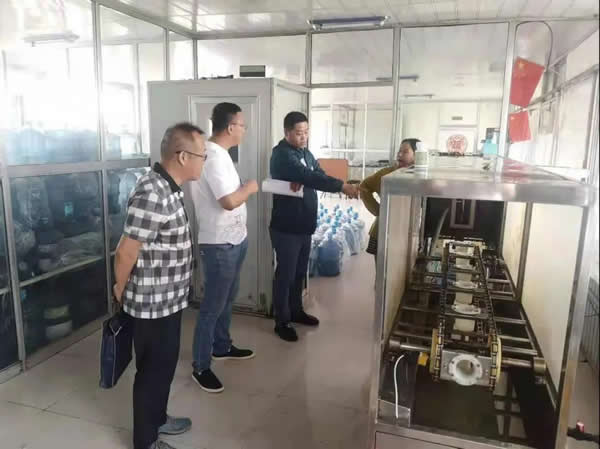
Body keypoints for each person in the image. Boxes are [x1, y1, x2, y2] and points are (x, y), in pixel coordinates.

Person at [113, 123, 207, 449]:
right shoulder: (153, 192)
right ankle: (146, 441)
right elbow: (126, 250)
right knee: (152, 371)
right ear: (182, 156)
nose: (204, 161)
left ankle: (158, 418)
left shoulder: (169, 188)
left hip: (169, 299)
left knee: (164, 366)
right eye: (202, 155)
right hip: (151, 303)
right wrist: (120, 288)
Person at [269, 111, 359, 342]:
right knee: (285, 274)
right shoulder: (281, 155)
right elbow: (309, 177)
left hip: (304, 224)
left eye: (306, 132)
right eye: (299, 133)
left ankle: (296, 311)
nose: (304, 137)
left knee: (300, 272)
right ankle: (281, 321)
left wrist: (309, 177)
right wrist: (341, 186)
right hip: (287, 226)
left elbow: (316, 174)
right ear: (287, 132)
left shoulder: (305, 153)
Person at [188, 102, 258, 394]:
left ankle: (222, 346)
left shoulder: (221, 154)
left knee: (227, 298)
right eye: (242, 125)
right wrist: (250, 187)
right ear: (231, 127)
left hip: (235, 239)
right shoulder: (213, 158)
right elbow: (228, 201)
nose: (244, 130)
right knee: (212, 307)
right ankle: (201, 366)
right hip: (219, 245)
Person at [360, 138, 419, 264]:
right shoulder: (387, 174)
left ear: (417, 155)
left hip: (407, 233)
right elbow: (364, 186)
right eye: (399, 151)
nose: (400, 155)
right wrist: (377, 210)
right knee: (382, 271)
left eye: (405, 151)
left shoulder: (421, 178)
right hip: (382, 230)